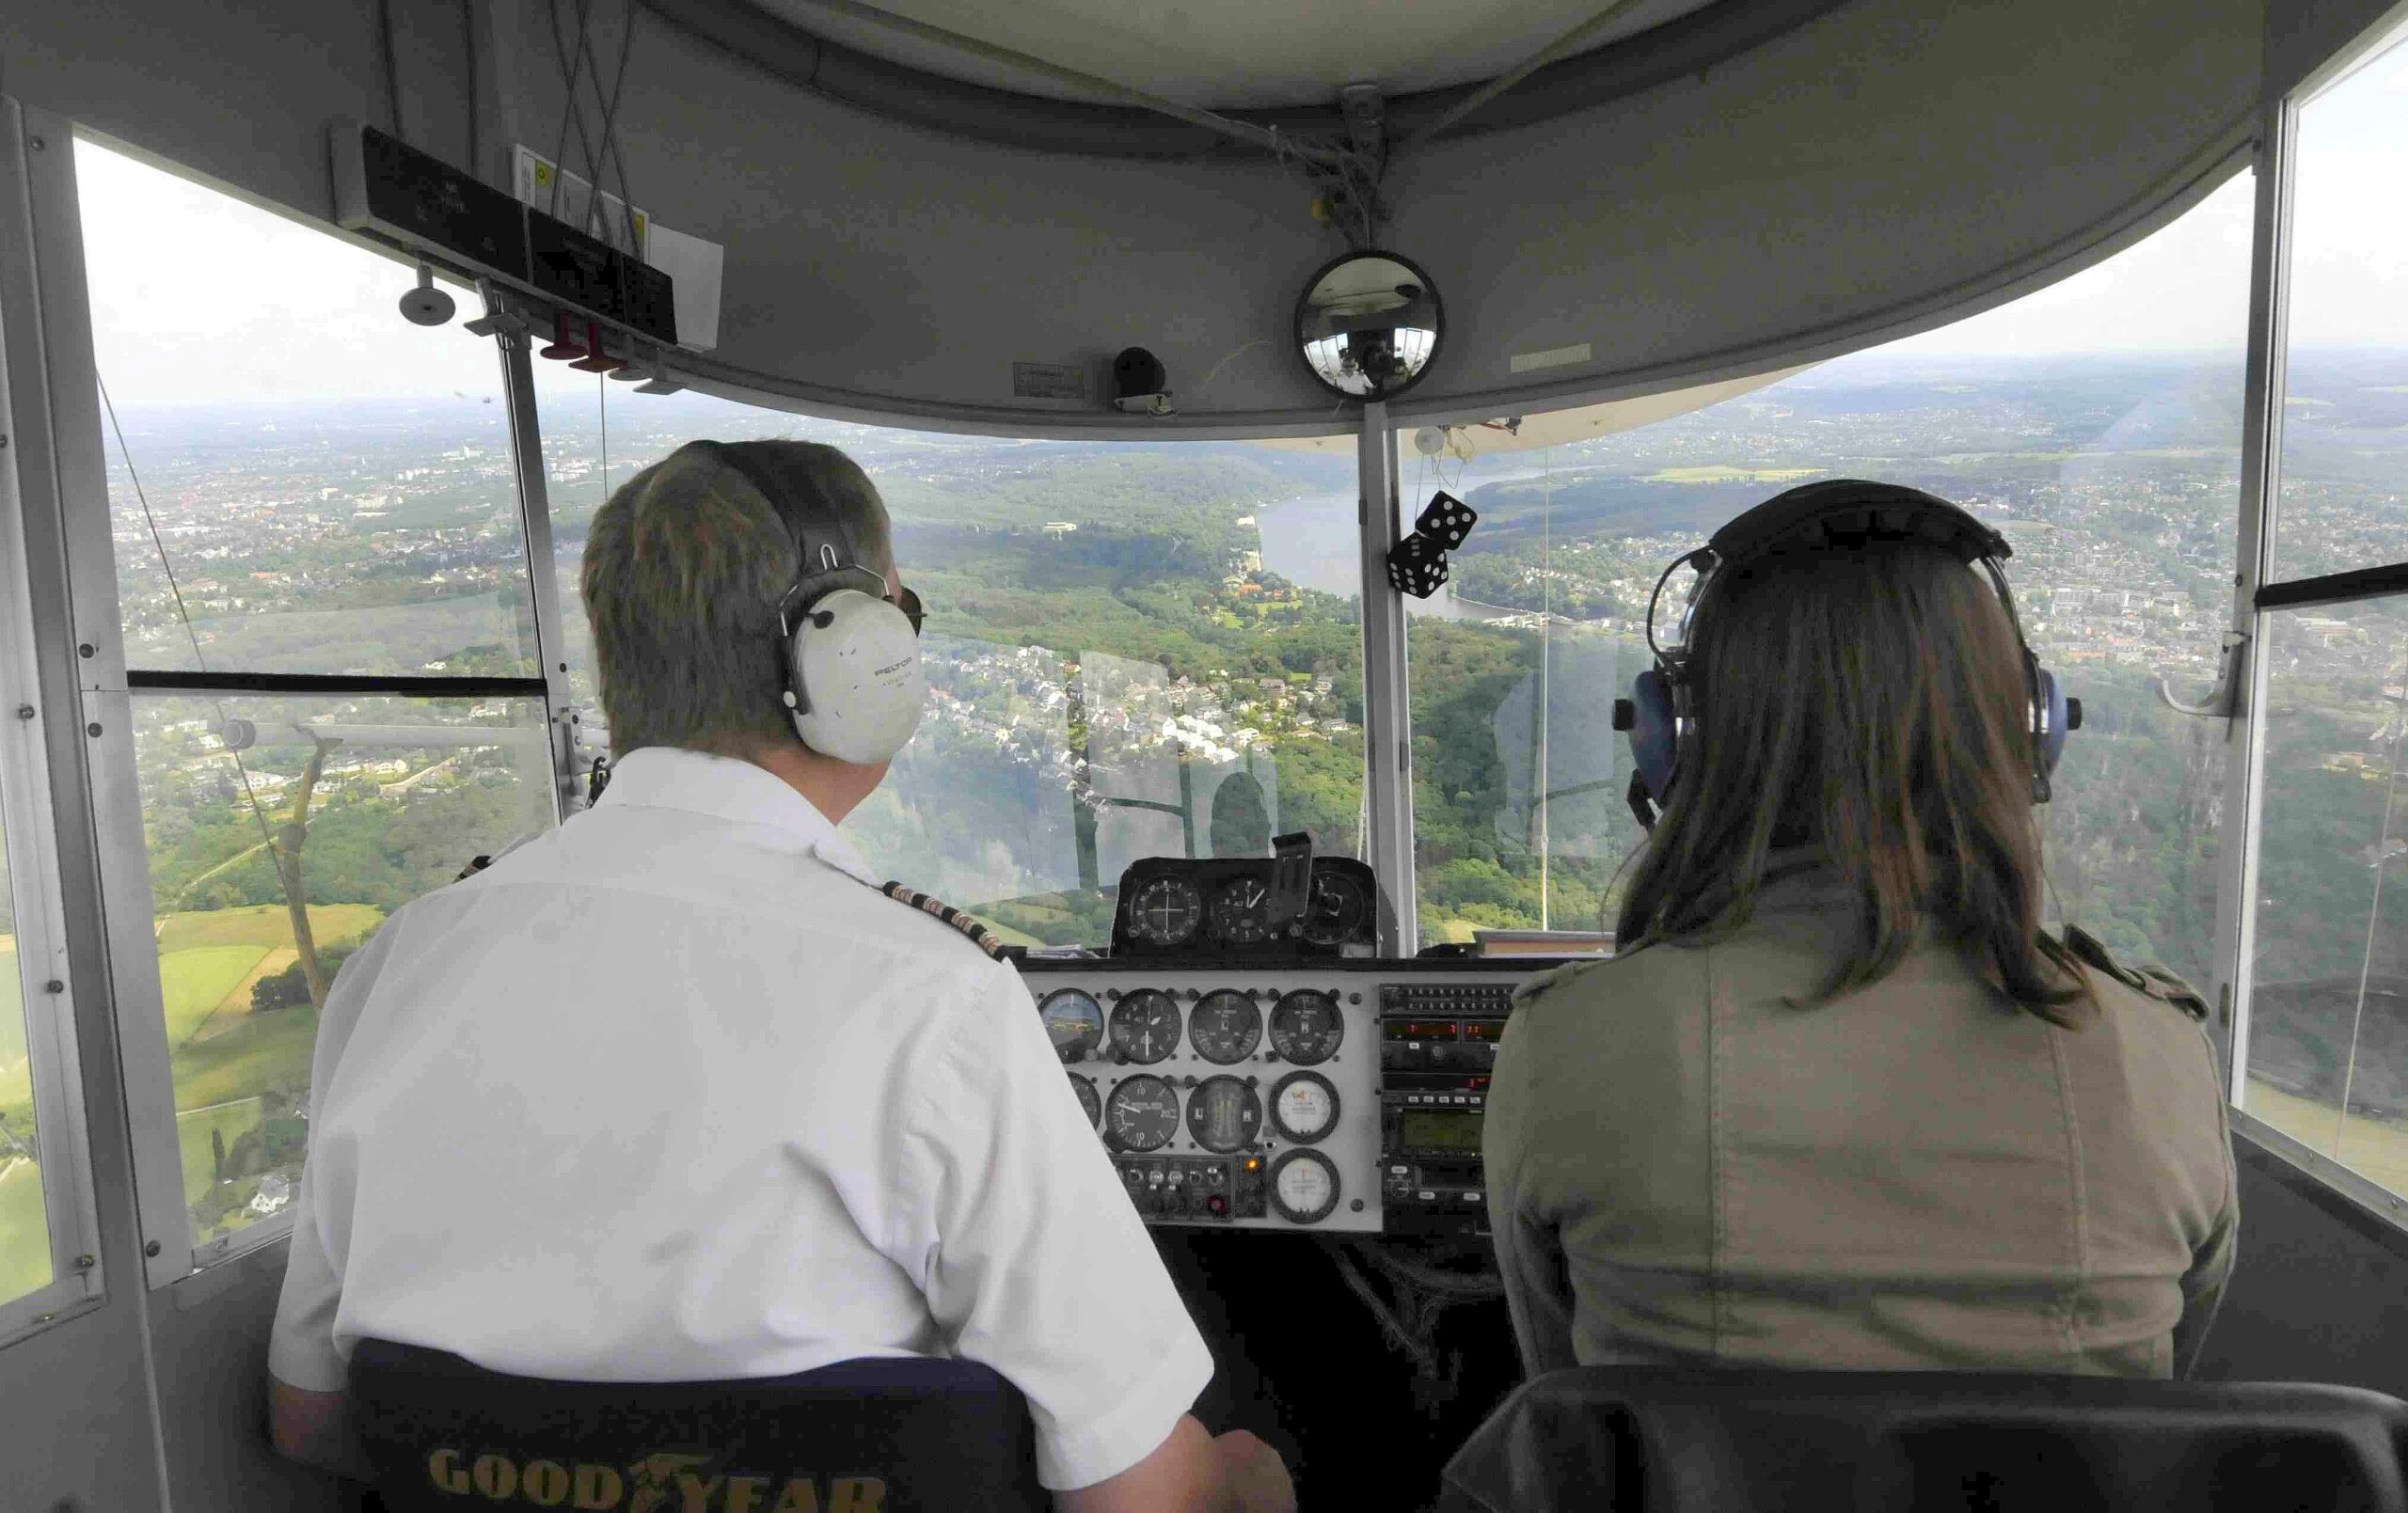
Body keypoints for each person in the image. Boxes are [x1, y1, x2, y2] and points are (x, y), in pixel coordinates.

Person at [265, 439, 1294, 1513]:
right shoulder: (932, 1000)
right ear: (850, 654)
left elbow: (313, 1423)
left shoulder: (397, 967)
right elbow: (1137, 1497)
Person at [1484, 480, 2238, 1380]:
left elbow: (1558, 1389)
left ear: (1673, 736)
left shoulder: (1570, 1044)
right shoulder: (2161, 1060)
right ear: (2032, 732)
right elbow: (2168, 1397)